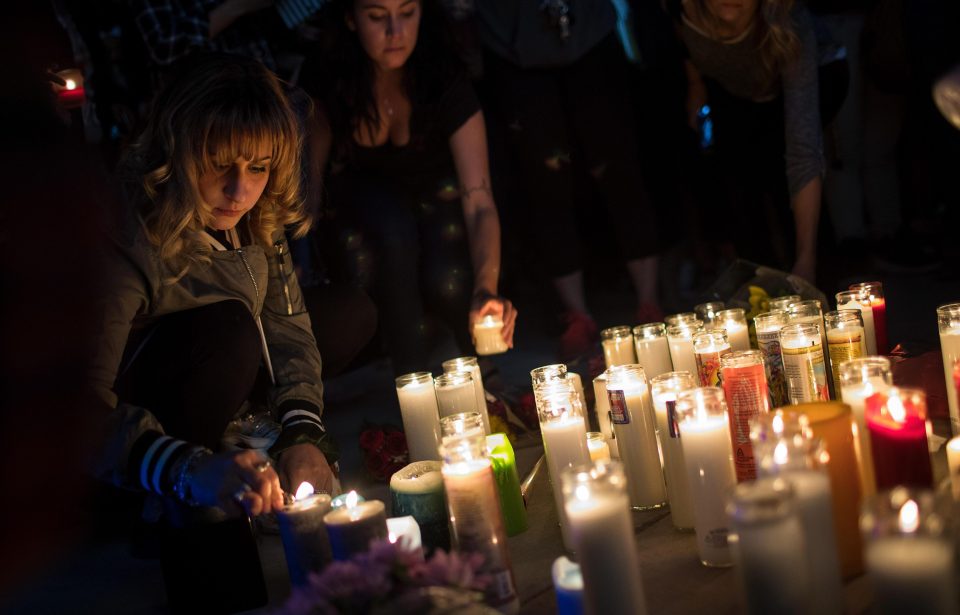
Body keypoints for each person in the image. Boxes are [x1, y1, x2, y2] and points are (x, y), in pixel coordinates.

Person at [90, 53, 336, 520]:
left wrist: (301, 430)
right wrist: (186, 467)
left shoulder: (257, 213)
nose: (239, 190)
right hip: (136, 441)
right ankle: (161, 508)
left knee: (347, 314)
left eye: (258, 167)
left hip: (231, 372)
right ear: (177, 152)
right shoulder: (129, 238)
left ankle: (245, 436)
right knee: (231, 330)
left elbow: (288, 329)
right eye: (218, 164)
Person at [300, 0, 517, 376]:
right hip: (363, 219)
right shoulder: (330, 76)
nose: (395, 32)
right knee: (392, 228)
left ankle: (484, 374)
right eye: (377, 16)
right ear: (351, 18)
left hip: (437, 203)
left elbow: (479, 199)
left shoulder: (443, 76)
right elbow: (308, 195)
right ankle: (411, 381)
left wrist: (486, 287)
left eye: (407, 12)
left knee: (446, 267)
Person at [462, 0, 664, 360]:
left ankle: (649, 302)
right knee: (544, 179)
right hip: (514, 47)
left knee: (618, 163)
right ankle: (577, 315)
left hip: (590, 33)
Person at [676, 0, 845, 283]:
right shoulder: (680, 7)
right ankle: (759, 293)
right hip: (737, 85)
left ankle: (813, 280)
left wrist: (806, 260)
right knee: (739, 182)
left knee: (782, 172)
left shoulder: (791, 26)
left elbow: (802, 150)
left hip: (816, 73)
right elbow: (681, 37)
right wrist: (696, 84)